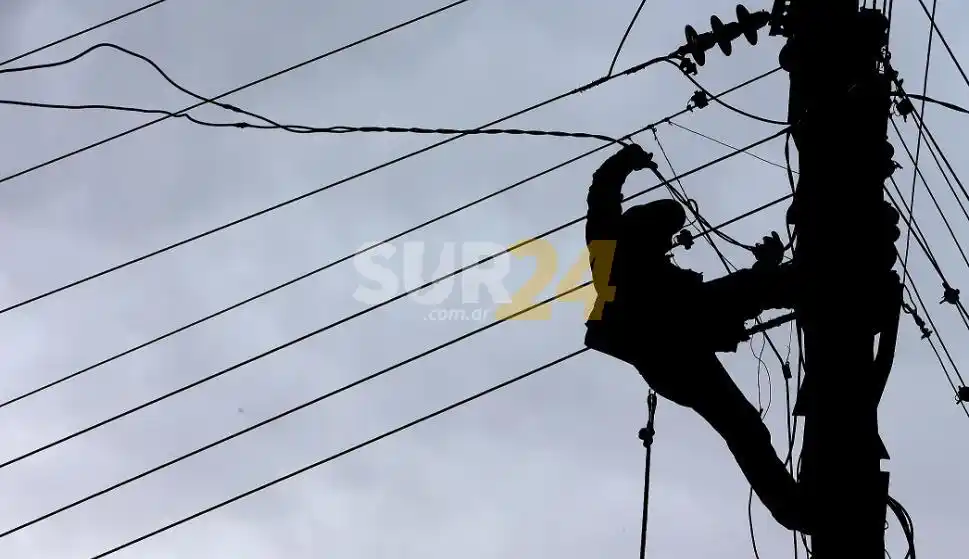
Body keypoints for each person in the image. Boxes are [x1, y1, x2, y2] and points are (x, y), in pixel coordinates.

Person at [583, 143, 811, 533]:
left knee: (744, 425)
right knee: (742, 425)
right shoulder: (610, 258)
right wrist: (625, 161)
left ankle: (795, 511)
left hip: (678, 349)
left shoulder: (643, 269)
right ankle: (795, 511)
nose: (667, 245)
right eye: (661, 237)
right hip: (670, 348)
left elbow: (728, 299)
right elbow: (601, 193)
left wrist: (767, 269)